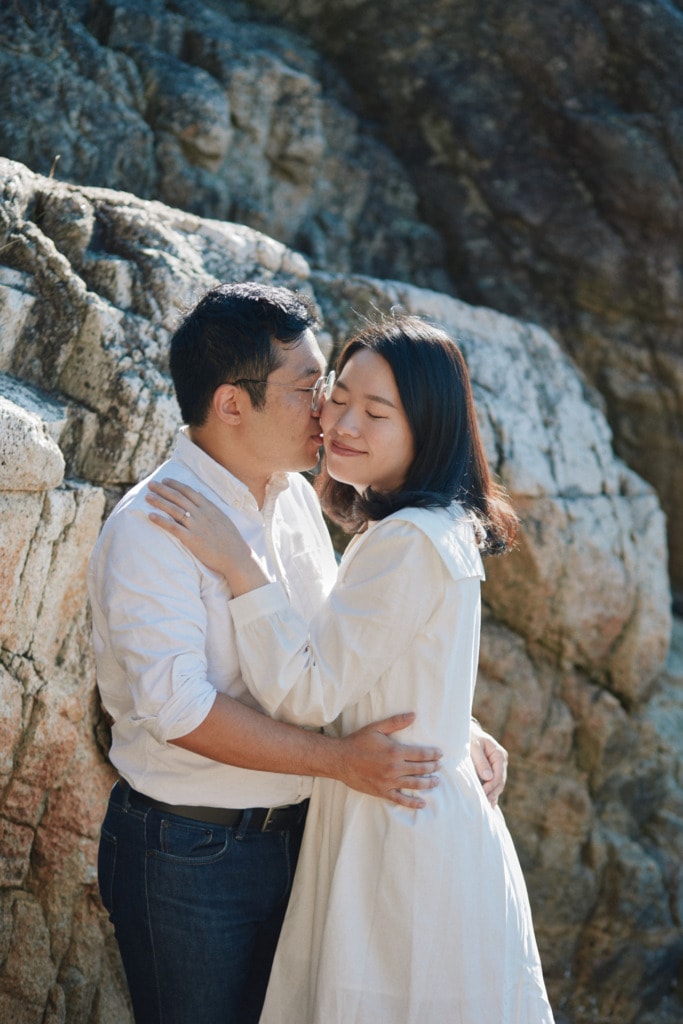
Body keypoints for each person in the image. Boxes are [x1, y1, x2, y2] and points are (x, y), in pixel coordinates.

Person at [87, 282, 508, 1024]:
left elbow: (337, 652)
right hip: (190, 855)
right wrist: (339, 761)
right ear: (231, 404)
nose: (326, 411)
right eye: (309, 389)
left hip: (305, 844)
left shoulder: (290, 498)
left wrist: (446, 719)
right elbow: (181, 712)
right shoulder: (154, 526)